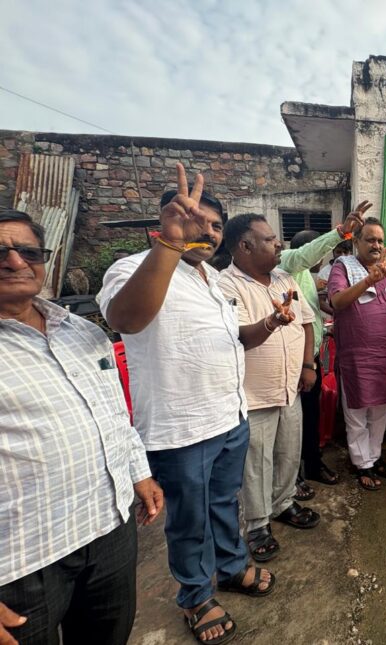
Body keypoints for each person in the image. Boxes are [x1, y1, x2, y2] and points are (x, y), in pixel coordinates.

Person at [100, 164, 274, 644]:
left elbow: (231, 341)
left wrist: (270, 327)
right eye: (199, 221)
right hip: (181, 428)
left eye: (217, 226)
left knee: (222, 504)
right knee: (190, 519)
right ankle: (196, 596)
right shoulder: (133, 268)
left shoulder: (212, 282)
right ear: (168, 218)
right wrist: (170, 244)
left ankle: (231, 566)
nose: (210, 232)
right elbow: (127, 320)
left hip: (228, 417)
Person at [0, 210, 163, 645]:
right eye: (1, 252)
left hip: (108, 527)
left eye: (28, 251)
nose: (15, 262)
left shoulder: (82, 333)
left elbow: (112, 413)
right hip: (20, 564)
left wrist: (139, 473)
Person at [218, 214, 320, 564]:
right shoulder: (227, 285)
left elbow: (306, 323)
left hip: (290, 385)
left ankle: (284, 503)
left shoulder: (283, 278)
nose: (279, 244)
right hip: (255, 393)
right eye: (270, 239)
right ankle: (258, 524)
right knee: (256, 462)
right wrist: (273, 321)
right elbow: (239, 336)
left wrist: (308, 365)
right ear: (245, 246)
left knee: (289, 452)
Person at [279, 202, 369, 491]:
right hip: (294, 361)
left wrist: (333, 309)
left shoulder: (305, 277)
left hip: (312, 356)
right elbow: (305, 257)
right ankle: (293, 477)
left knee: (312, 416)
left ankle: (313, 463)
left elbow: (311, 304)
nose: (323, 261)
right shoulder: (287, 263)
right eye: (320, 254)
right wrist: (341, 233)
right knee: (293, 424)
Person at [328, 217, 386, 490]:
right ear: (356, 241)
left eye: (380, 240)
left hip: (384, 354)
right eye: (370, 239)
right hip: (356, 355)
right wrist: (369, 279)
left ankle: (375, 456)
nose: (376, 245)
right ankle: (362, 464)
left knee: (380, 411)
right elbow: (336, 301)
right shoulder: (343, 267)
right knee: (357, 411)